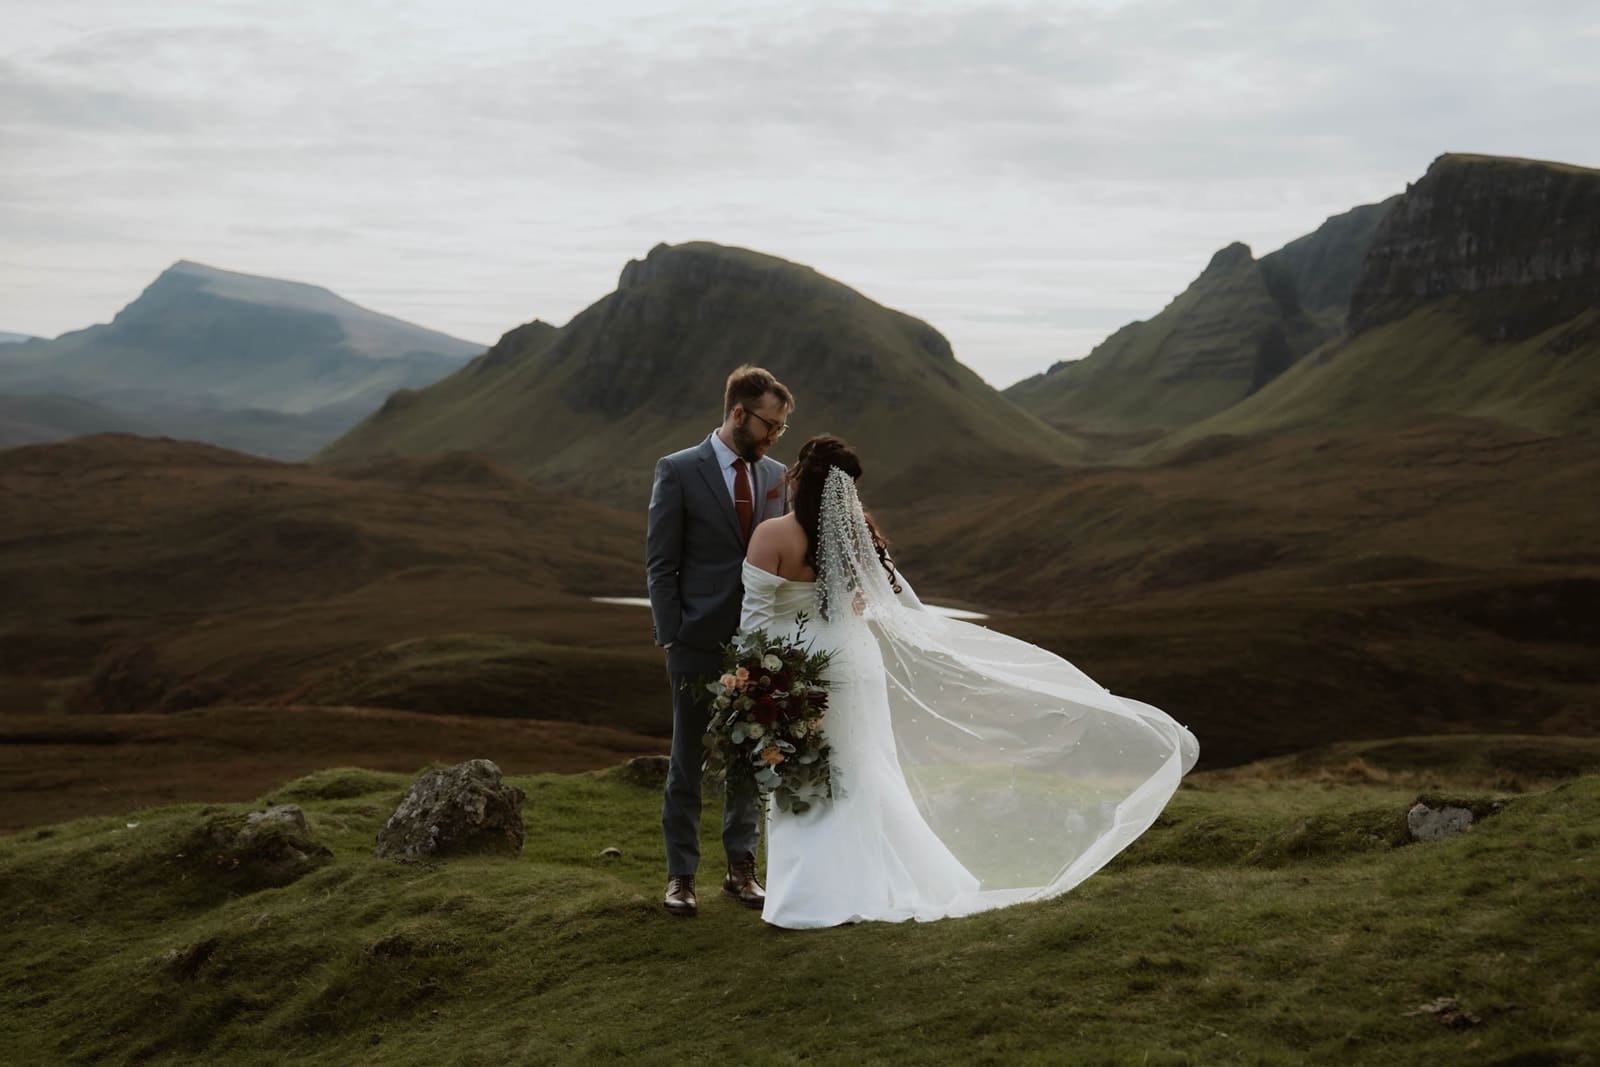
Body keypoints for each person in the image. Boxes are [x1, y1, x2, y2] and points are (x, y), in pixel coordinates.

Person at [741, 436, 1200, 929]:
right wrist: (932, 633)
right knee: (863, 771)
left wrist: (751, 679)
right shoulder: (856, 535)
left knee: (801, 770)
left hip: (796, 667)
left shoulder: (773, 536)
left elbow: (755, 620)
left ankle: (811, 894)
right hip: (855, 664)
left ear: (796, 477)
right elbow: (899, 599)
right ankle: (869, 884)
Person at [646, 365, 794, 916]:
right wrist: (673, 633)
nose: (775, 436)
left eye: (780, 428)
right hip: (695, 641)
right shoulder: (679, 470)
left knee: (750, 757)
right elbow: (661, 564)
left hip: (757, 644)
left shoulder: (777, 476)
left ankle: (740, 870)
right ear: (738, 414)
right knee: (686, 760)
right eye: (770, 425)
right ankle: (681, 876)